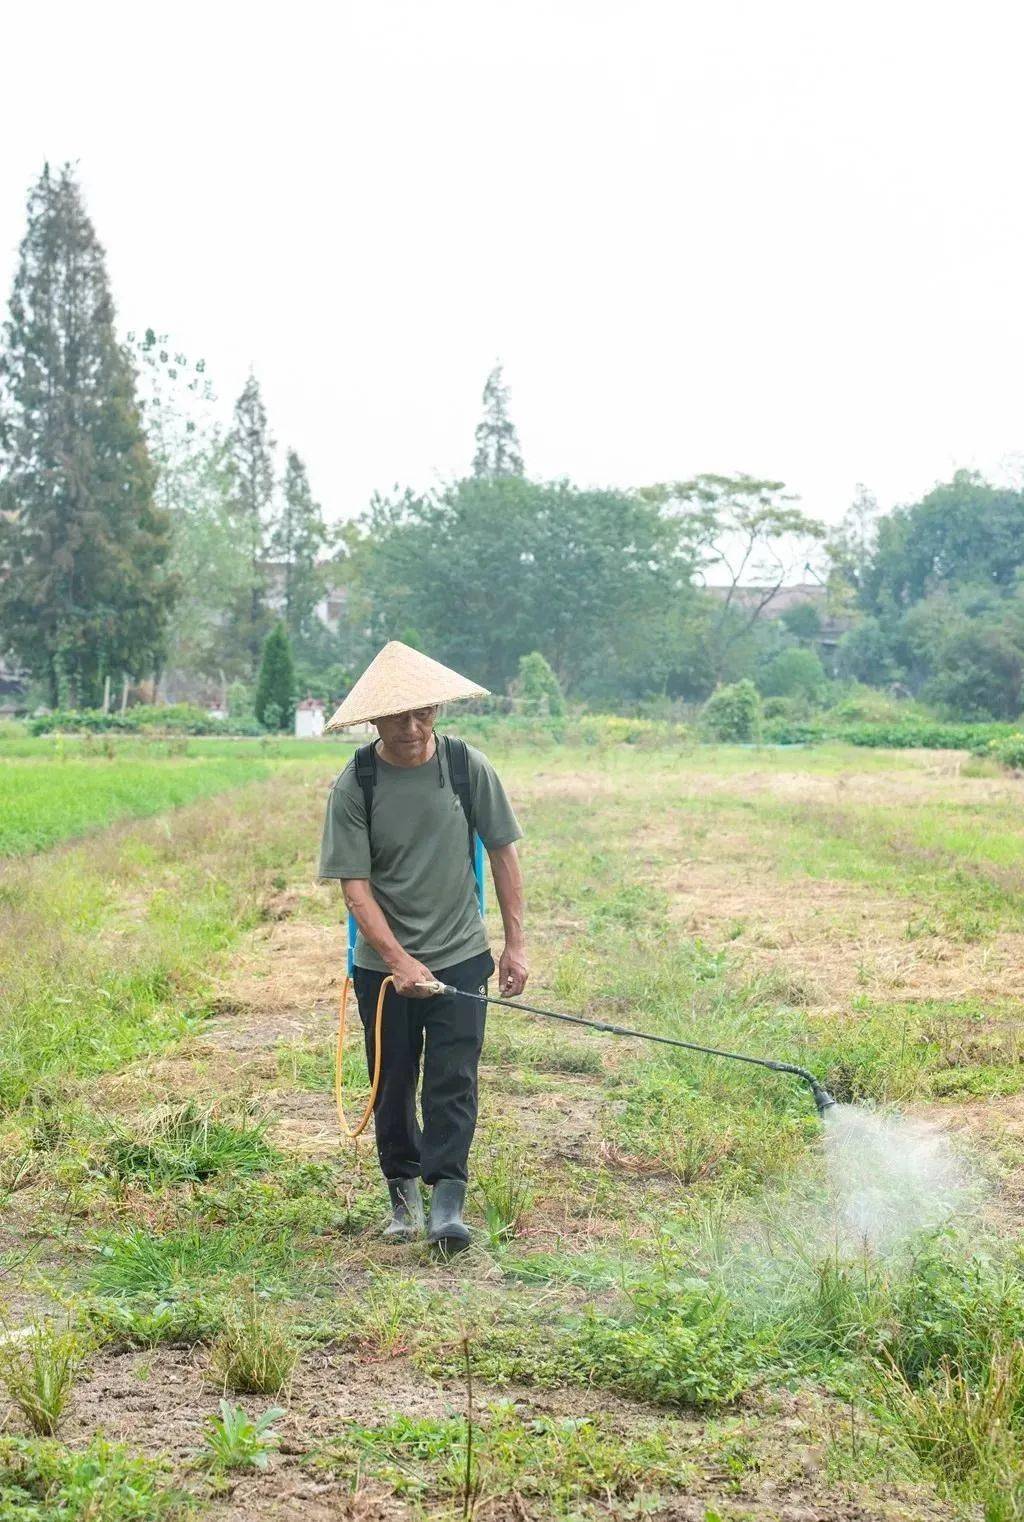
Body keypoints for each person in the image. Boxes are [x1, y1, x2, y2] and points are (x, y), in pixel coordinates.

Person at [317, 641, 527, 1251]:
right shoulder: (355, 784)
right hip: (381, 970)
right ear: (374, 720)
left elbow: (504, 853)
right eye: (398, 717)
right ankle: (401, 1196)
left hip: (462, 954)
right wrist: (399, 961)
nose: (412, 728)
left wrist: (514, 945)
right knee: (392, 1078)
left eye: (423, 714)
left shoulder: (466, 767)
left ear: (436, 710)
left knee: (453, 1077)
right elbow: (355, 890)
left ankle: (447, 1204)